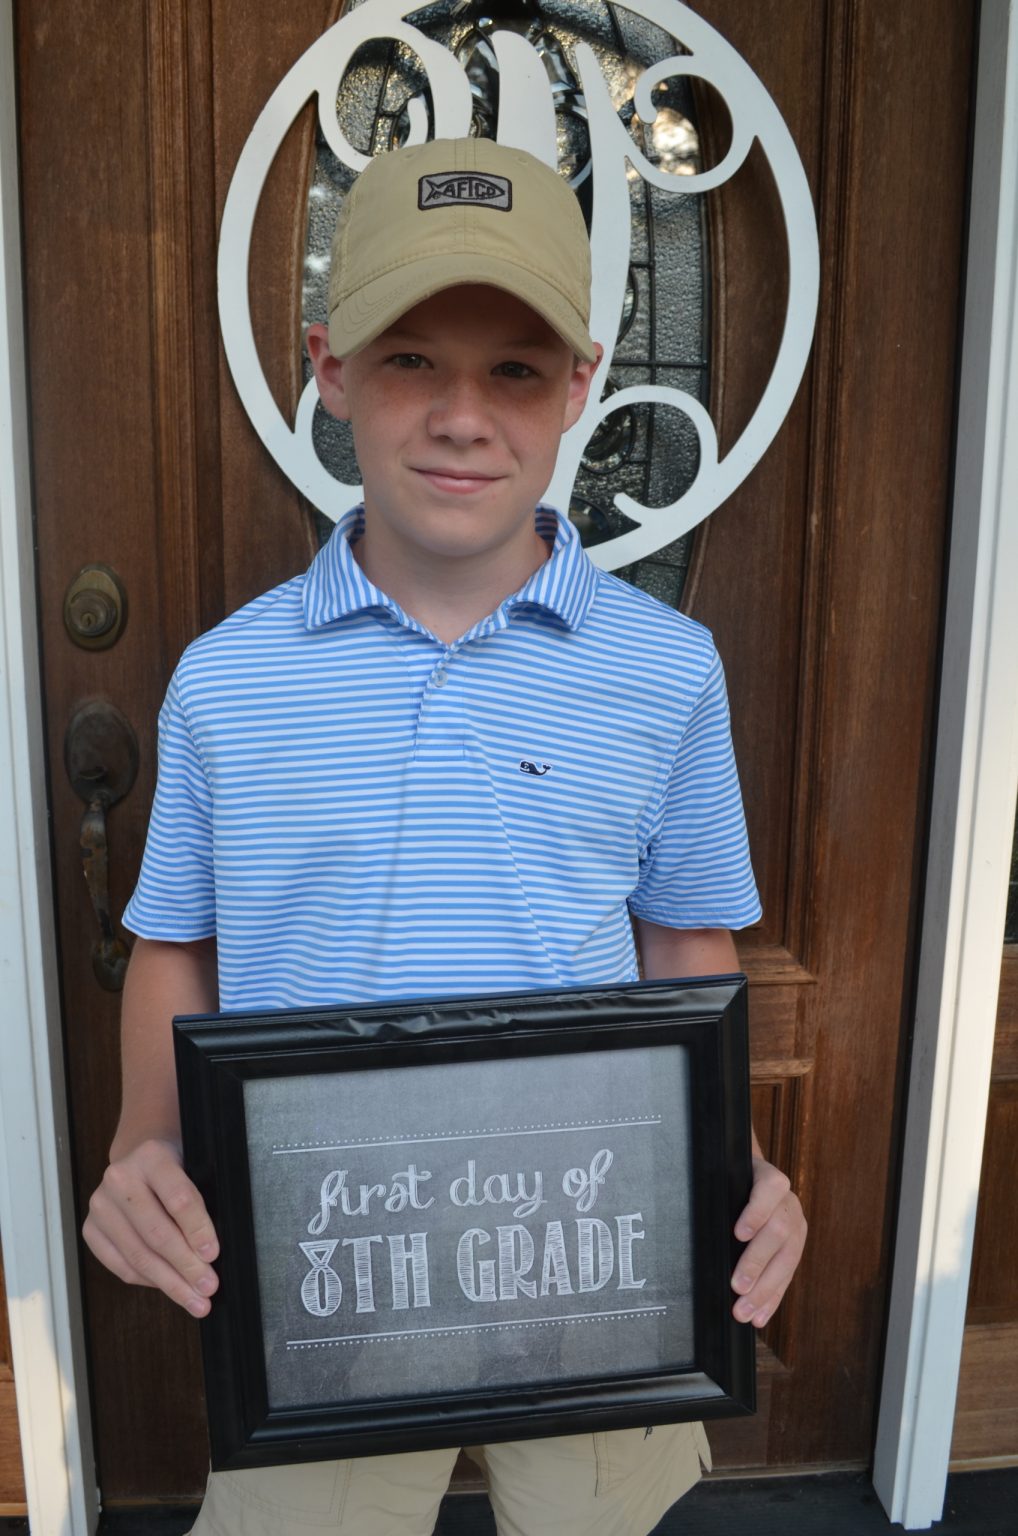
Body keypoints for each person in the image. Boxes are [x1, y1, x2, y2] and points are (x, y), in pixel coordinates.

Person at [84, 136, 806, 1536]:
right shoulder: (227, 682)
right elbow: (177, 939)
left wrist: (733, 1161)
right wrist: (142, 1141)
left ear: (580, 386)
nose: (462, 417)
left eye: (515, 370)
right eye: (410, 359)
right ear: (329, 368)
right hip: (326, 1268)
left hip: (594, 1249)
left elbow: (684, 941)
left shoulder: (665, 670)